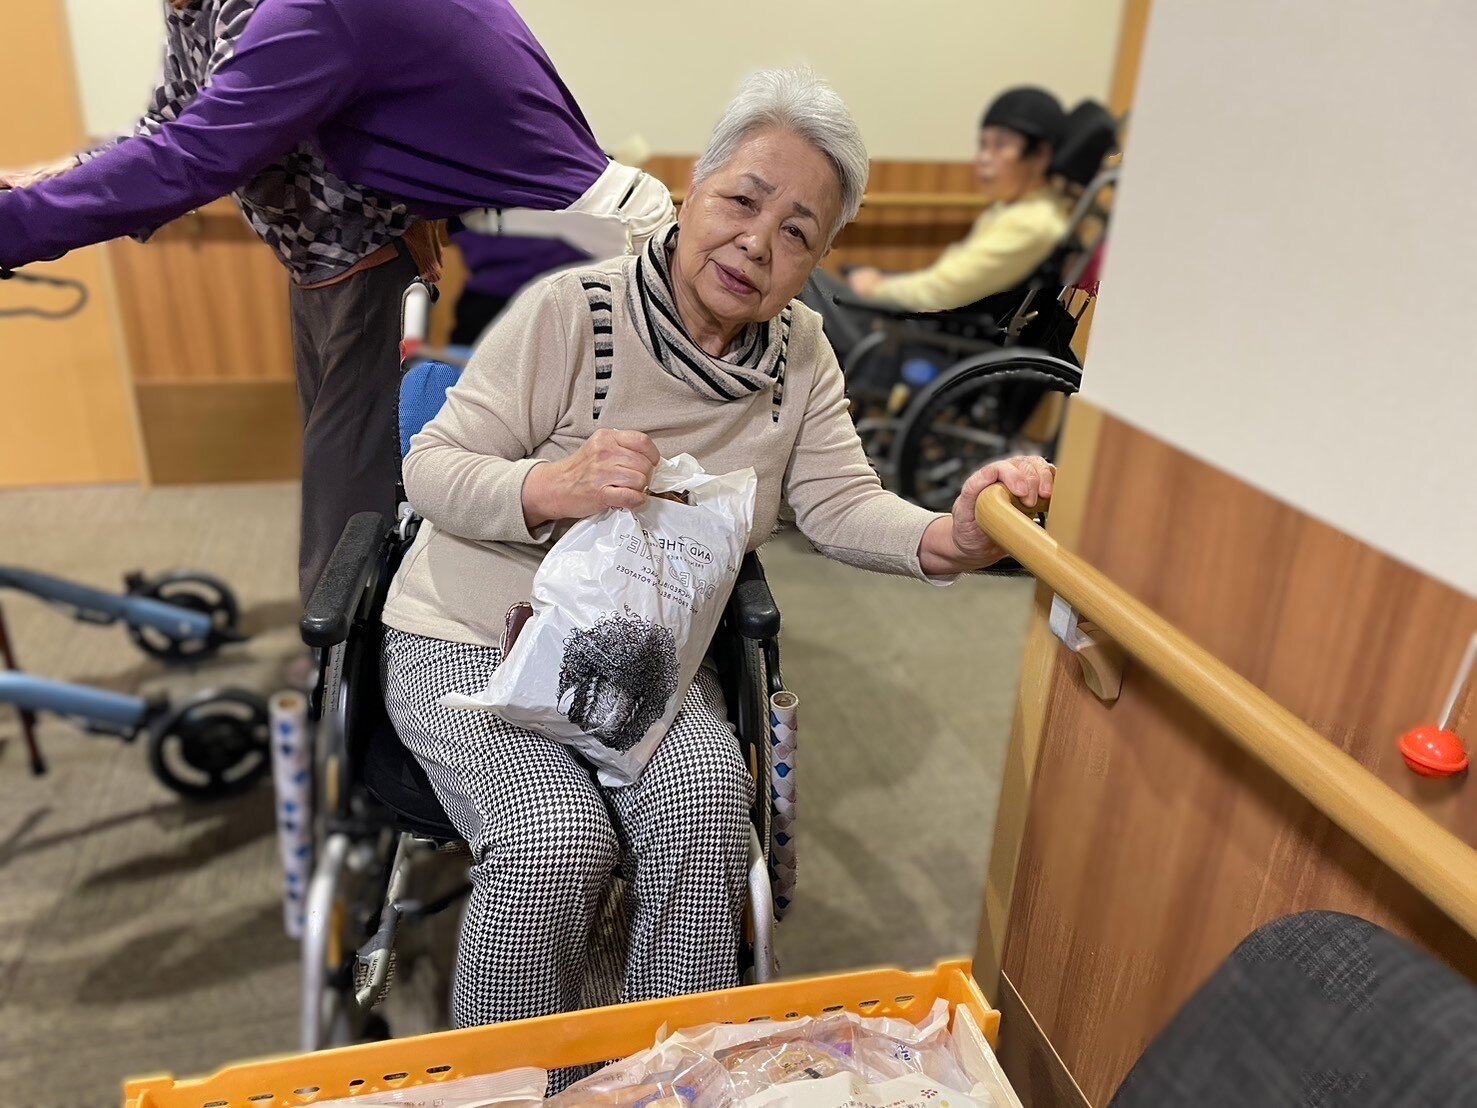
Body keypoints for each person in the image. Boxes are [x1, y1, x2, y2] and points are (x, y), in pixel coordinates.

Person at [378, 67, 1055, 1053]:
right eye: (743, 199)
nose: (757, 243)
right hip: (471, 639)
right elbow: (432, 468)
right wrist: (552, 484)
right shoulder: (573, 311)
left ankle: (668, 1070)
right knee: (560, 836)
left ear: (816, 259)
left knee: (705, 801)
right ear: (692, 189)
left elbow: (838, 500)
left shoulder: (799, 356)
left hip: (642, 664)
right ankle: (510, 1084)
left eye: (797, 232)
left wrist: (948, 538)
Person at [0, 0, 672, 605]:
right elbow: (174, 121)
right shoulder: (204, 8)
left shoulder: (308, 12)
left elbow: (194, 155)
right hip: (354, 260)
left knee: (379, 500)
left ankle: (364, 662)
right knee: (371, 483)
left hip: (556, 243)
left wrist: (19, 227)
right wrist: (58, 180)